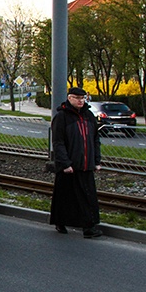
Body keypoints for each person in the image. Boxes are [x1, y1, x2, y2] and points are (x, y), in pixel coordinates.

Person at [50, 87, 103, 238]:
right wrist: (65, 163)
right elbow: (58, 142)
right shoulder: (62, 117)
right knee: (63, 195)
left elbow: (95, 139)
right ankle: (60, 222)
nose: (80, 101)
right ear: (69, 98)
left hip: (85, 164)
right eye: (77, 98)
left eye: (82, 98)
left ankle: (89, 227)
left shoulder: (89, 115)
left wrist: (96, 160)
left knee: (88, 195)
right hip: (69, 164)